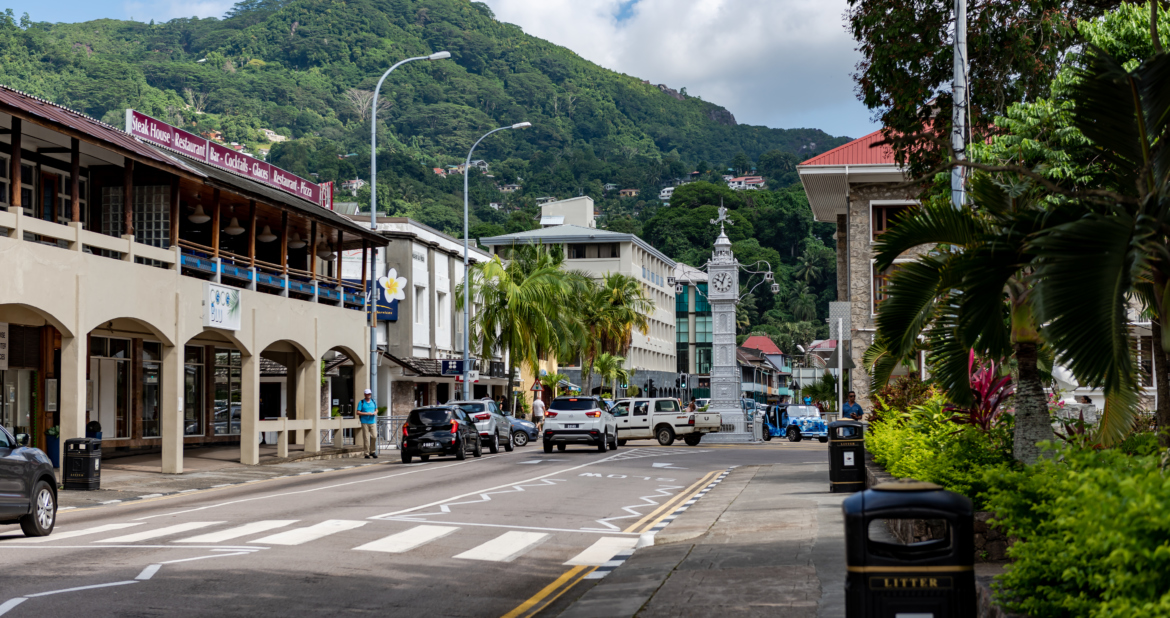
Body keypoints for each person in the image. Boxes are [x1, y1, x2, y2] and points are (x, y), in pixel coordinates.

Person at [357, 389, 379, 459]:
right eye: (367, 394)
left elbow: (376, 409)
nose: (368, 395)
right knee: (366, 438)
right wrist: (366, 413)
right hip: (364, 422)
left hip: (372, 421)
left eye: (369, 394)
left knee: (374, 436)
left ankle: (372, 451)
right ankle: (366, 453)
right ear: (364, 394)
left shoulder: (373, 401)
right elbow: (358, 412)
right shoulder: (361, 402)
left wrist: (375, 412)